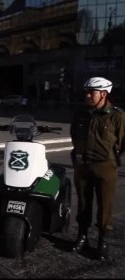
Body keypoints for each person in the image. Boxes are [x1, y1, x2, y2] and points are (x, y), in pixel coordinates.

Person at [70, 77, 125, 261]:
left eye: (91, 92)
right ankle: (82, 236)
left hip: (105, 167)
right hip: (83, 166)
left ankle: (102, 241)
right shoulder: (80, 113)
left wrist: (111, 158)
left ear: (103, 94)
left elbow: (122, 141)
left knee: (105, 206)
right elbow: (74, 135)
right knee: (83, 204)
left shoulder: (116, 115)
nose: (87, 96)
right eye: (86, 92)